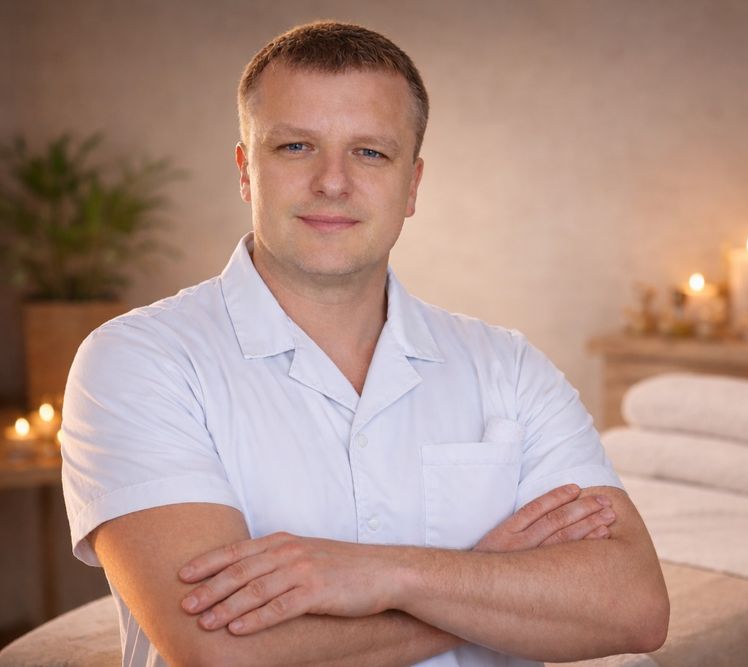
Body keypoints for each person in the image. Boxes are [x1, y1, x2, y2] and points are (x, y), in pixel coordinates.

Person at [60, 21, 669, 667]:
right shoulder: (138, 361)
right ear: (245, 171)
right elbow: (222, 652)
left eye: (371, 153)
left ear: (413, 185)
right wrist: (486, 579)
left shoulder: (510, 367)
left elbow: (634, 606)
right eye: (295, 146)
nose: (332, 181)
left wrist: (387, 573)